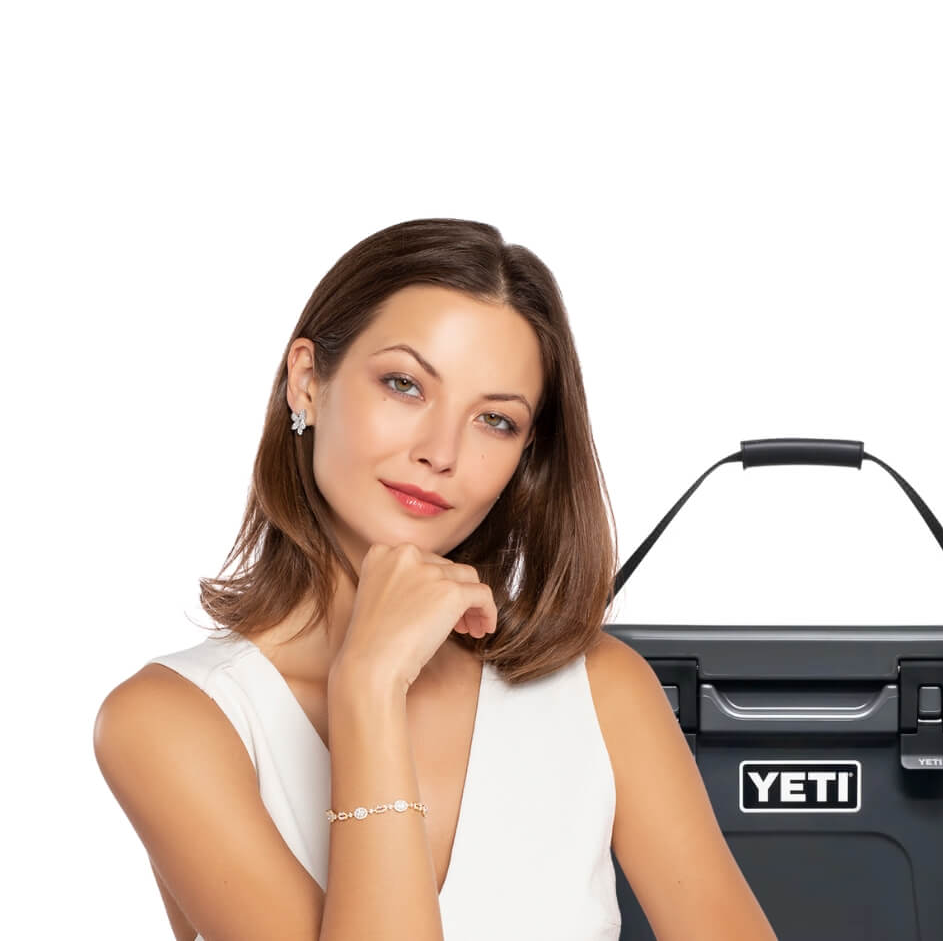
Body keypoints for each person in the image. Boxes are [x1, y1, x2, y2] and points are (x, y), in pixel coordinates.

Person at [92, 216, 777, 941]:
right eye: (404, 385)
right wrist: (369, 687)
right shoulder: (172, 722)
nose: (441, 451)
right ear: (307, 383)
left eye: (495, 421)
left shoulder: (603, 691)